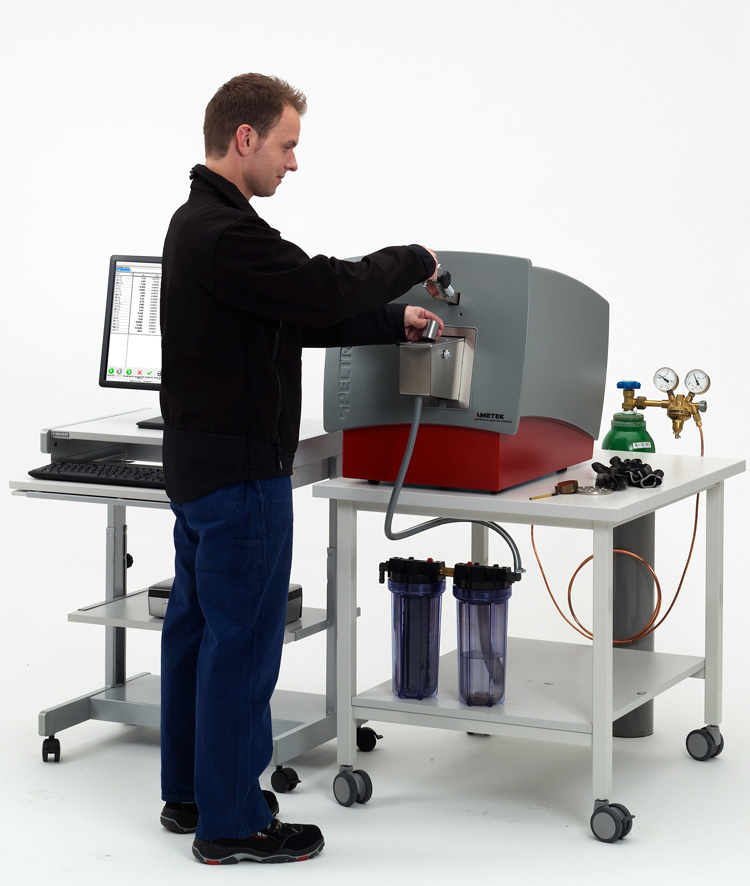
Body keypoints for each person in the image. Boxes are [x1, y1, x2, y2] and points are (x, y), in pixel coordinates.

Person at [158, 72, 443, 866]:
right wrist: (411, 260)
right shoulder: (227, 231)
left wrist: (391, 321)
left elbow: (288, 314)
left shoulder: (197, 224)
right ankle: (234, 825)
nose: (293, 162)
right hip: (242, 477)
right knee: (243, 648)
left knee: (197, 636)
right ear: (244, 138)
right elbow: (318, 287)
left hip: (200, 470)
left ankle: (192, 795)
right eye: (286, 145)